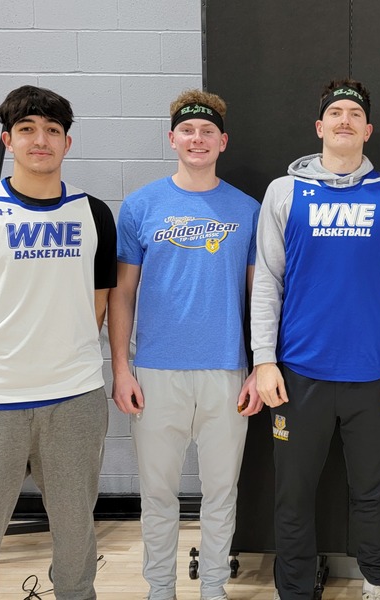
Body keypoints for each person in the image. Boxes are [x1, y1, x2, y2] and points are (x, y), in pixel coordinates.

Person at [0, 85, 117, 600]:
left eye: (53, 131)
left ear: (67, 142)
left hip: (75, 398)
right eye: (29, 130)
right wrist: (1, 362)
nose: (42, 140)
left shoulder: (93, 214)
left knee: (78, 533)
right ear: (8, 138)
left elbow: (98, 303)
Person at [251, 78, 380, 600]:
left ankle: (375, 584)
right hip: (298, 374)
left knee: (370, 494)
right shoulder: (284, 192)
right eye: (336, 112)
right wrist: (264, 359)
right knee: (293, 497)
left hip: (374, 376)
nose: (344, 119)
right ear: (319, 127)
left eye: (354, 113)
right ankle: (297, 591)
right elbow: (267, 280)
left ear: (367, 130)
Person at [109, 89, 262, 600]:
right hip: (155, 373)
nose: (198, 139)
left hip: (225, 373)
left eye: (207, 131)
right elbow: (122, 293)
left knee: (222, 493)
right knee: (158, 495)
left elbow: (259, 298)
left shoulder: (247, 209)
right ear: (172, 138)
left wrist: (261, 367)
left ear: (223, 140)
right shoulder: (140, 206)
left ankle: (214, 587)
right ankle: (159, 590)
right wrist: (122, 369)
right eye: (188, 131)